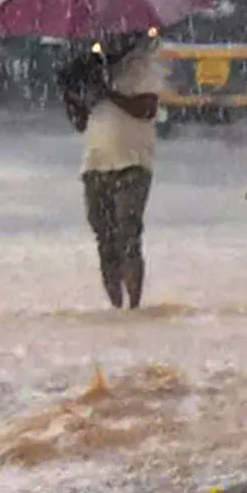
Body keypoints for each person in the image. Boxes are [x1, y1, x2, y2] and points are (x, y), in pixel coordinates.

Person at [71, 28, 164, 309]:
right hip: (96, 164)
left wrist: (109, 93)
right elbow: (79, 122)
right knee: (105, 240)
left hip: (133, 163)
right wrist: (76, 98)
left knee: (128, 235)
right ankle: (115, 308)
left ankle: (134, 307)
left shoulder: (142, 65)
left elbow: (148, 108)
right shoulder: (89, 70)